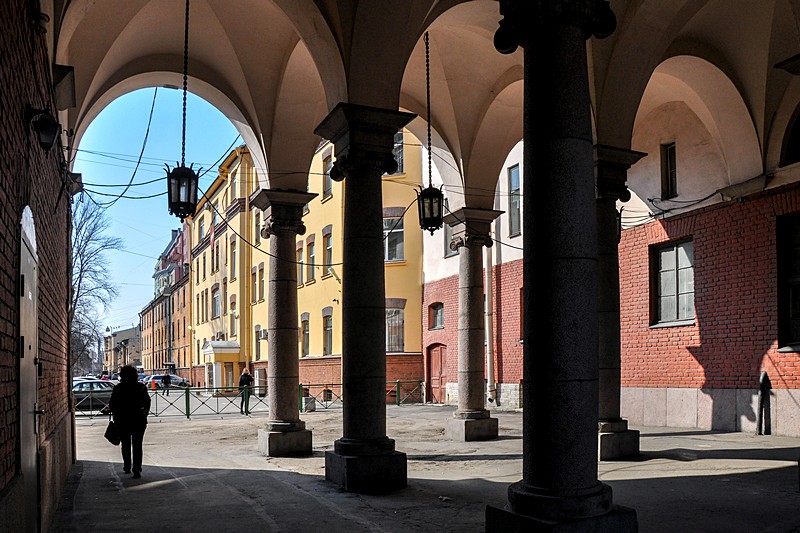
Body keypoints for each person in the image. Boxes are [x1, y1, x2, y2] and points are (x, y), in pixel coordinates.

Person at [108, 365, 151, 479]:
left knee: (125, 444)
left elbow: (112, 404)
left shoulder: (118, 388)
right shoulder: (141, 387)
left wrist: (117, 414)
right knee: (137, 445)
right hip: (138, 419)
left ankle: (127, 466)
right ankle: (137, 470)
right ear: (135, 375)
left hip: (123, 420)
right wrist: (144, 413)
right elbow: (147, 402)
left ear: (122, 375)